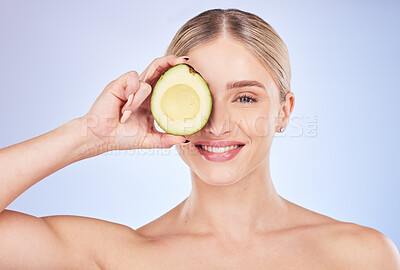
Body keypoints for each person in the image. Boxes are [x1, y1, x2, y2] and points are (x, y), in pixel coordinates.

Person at [0, 8, 399, 269]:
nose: (218, 125)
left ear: (284, 110)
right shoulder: (119, 257)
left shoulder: (360, 255)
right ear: (160, 105)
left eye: (244, 97)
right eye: (201, 96)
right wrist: (90, 135)